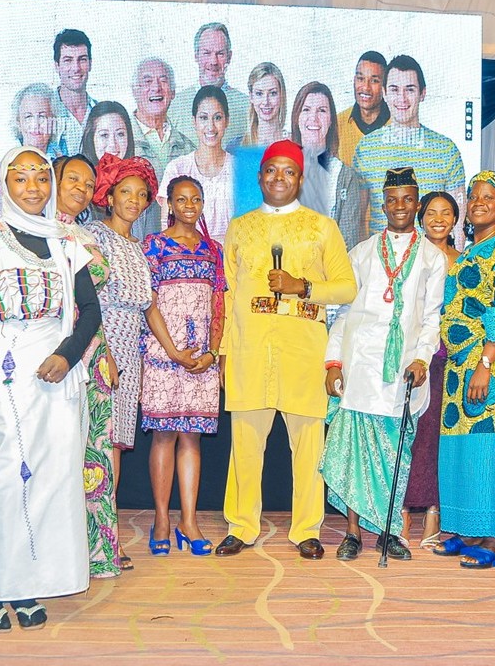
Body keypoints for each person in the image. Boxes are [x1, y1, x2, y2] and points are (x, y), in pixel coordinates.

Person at [0, 147, 101, 631]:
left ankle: (29, 584)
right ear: (4, 184)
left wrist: (67, 355)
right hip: (5, 369)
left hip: (59, 371)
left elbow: (90, 313)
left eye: (40, 177)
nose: (32, 187)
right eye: (21, 177)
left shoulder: (66, 242)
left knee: (53, 478)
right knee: (12, 476)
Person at [215, 139, 357, 560]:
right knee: (244, 446)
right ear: (260, 177)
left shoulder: (321, 227)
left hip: (303, 352)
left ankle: (306, 529)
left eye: (289, 171)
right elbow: (229, 294)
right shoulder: (240, 228)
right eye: (272, 170)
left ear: (300, 178)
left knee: (309, 446)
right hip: (250, 350)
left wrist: (303, 287)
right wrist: (224, 351)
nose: (280, 178)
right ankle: (241, 526)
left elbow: (347, 287)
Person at [321, 167, 446, 561]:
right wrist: (333, 362)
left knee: (396, 454)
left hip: (403, 371)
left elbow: (432, 318)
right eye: (392, 200)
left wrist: (422, 358)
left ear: (417, 203)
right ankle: (353, 532)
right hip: (360, 365)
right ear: (383, 205)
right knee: (355, 455)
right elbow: (344, 313)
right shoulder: (361, 252)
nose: (399, 207)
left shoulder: (432, 257)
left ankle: (390, 532)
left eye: (407, 199)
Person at [432, 170, 495, 569]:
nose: (477, 202)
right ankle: (471, 530)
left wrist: (486, 362)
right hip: (461, 365)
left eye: (488, 197)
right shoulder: (471, 251)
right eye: (473, 196)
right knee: (466, 450)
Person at [52, 153, 134, 577]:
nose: (82, 190)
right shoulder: (32, 231)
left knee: (94, 451)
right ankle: (57, 552)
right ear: (52, 179)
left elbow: (92, 303)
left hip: (93, 350)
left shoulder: (84, 235)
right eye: (73, 180)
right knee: (54, 450)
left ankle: (97, 551)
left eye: (88, 184)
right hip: (50, 351)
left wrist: (106, 354)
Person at [141, 175, 226, 556]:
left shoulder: (213, 250)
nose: (189, 206)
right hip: (164, 354)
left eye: (195, 199)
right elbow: (148, 303)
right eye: (181, 199)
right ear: (170, 204)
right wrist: (173, 351)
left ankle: (188, 521)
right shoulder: (154, 245)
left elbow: (219, 304)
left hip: (201, 358)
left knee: (192, 436)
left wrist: (213, 353)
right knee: (164, 435)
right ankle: (162, 519)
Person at [84, 155, 159, 565]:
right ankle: (86, 538)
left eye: (141, 194)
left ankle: (106, 536)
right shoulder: (95, 236)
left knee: (114, 444)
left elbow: (147, 307)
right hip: (102, 346)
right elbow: (90, 300)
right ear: (109, 196)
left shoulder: (137, 247)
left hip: (131, 351)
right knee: (94, 443)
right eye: (125, 192)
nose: (133, 200)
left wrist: (173, 353)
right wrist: (106, 355)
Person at [402, 191, 461, 549]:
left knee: (436, 438)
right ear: (421, 218)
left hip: (449, 359)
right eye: (431, 213)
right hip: (413, 357)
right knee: (409, 435)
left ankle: (434, 512)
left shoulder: (464, 261)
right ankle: (403, 511)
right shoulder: (410, 257)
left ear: (455, 220)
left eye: (446, 213)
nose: (438, 219)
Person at [353, 55, 466, 240]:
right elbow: (356, 220)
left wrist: (457, 259)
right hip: (380, 256)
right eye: (394, 89)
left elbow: (458, 224)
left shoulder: (446, 150)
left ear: (422, 93)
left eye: (410, 89)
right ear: (384, 93)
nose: (402, 98)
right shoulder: (365, 149)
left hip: (432, 256)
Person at [290, 81, 369, 249]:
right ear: (296, 117)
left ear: (331, 119)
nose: (313, 118)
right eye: (306, 109)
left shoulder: (346, 178)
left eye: (322, 110)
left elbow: (347, 245)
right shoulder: (277, 171)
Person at [158, 86, 235, 243]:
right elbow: (167, 230)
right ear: (194, 121)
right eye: (203, 118)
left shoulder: (241, 169)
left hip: (234, 256)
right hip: (188, 256)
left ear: (227, 120)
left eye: (217, 118)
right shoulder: (177, 169)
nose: (210, 127)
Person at [167, 23, 250, 146]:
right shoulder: (174, 106)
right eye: (207, 53)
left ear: (229, 57)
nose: (213, 61)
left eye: (220, 53)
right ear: (196, 56)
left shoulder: (248, 107)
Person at [131, 57, 195, 178]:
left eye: (163, 81)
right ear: (135, 91)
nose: (156, 88)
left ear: (173, 92)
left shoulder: (187, 148)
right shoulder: (120, 142)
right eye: (148, 81)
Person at [337, 51, 390, 167]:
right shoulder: (337, 124)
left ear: (385, 86)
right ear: (354, 80)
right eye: (361, 78)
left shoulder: (397, 125)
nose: (366, 87)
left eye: (374, 81)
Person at [52, 29, 96, 155]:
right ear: (57, 66)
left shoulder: (100, 113)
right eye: (68, 60)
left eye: (82, 59)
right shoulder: (45, 114)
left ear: (90, 64)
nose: (76, 68)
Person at [233, 62, 287, 148]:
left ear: (281, 95)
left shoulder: (295, 144)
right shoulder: (235, 146)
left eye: (273, 93)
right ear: (251, 97)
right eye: (259, 93)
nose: (266, 102)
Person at [10, 83, 59, 156]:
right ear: (18, 122)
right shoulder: (9, 159)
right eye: (28, 117)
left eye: (42, 116)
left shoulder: (64, 158)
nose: (35, 124)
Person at [80, 101, 135, 167]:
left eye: (120, 134)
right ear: (91, 139)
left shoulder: (141, 171)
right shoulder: (78, 171)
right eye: (104, 135)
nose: (112, 144)